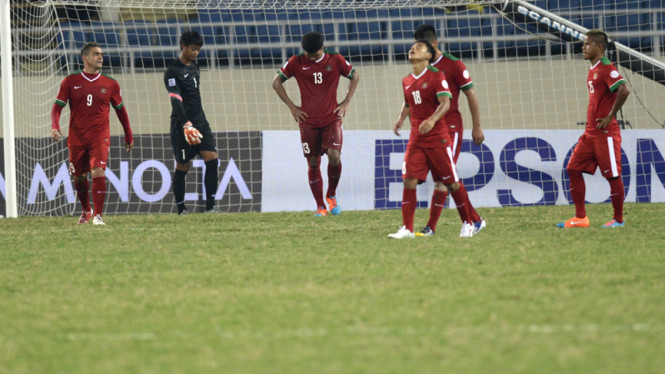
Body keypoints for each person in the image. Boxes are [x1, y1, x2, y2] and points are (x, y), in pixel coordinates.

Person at [389, 40, 476, 239]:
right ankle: (407, 229)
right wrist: (400, 118)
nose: (413, 48)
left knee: (451, 182)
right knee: (409, 180)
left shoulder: (437, 76)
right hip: (416, 140)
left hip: (438, 139)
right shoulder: (407, 81)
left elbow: (446, 103)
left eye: (419, 46)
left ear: (428, 55)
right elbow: (409, 104)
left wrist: (432, 119)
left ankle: (468, 223)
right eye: (412, 47)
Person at [272, 31, 360, 217]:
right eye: (308, 55)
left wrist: (346, 102)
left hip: (331, 118)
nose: (311, 58)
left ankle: (331, 195)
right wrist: (292, 107)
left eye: (314, 55)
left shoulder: (335, 60)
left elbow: (355, 76)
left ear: (322, 48)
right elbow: (276, 82)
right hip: (308, 121)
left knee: (334, 156)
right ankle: (320, 207)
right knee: (313, 163)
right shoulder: (297, 61)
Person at [412, 24, 486, 236]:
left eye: (423, 46)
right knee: (444, 178)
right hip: (430, 131)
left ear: (435, 43)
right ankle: (476, 220)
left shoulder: (454, 65)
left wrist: (477, 126)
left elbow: (471, 95)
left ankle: (431, 228)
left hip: (450, 128)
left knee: (445, 179)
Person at [51, 41, 133, 226]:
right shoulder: (70, 81)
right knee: (79, 177)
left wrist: (128, 135)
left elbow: (121, 111)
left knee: (98, 170)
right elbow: (56, 108)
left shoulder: (110, 84)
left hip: (99, 136)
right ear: (85, 58)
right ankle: (86, 209)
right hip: (77, 137)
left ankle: (98, 215)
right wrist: (55, 126)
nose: (100, 57)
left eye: (101, 54)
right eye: (96, 54)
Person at [557, 29, 630, 228]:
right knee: (573, 168)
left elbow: (624, 89)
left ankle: (618, 220)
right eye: (584, 43)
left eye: (587, 44)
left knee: (612, 175)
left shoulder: (607, 68)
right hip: (590, 133)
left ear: (599, 47)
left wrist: (610, 115)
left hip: (605, 133)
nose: (583, 47)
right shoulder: (593, 68)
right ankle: (581, 217)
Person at [164, 30, 220, 215]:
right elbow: (176, 99)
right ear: (183, 47)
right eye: (193, 49)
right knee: (183, 166)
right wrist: (186, 124)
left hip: (200, 121)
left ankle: (210, 208)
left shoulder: (195, 65)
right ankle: (181, 209)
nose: (196, 53)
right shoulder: (172, 71)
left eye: (198, 50)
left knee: (212, 159)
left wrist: (196, 121)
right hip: (182, 125)